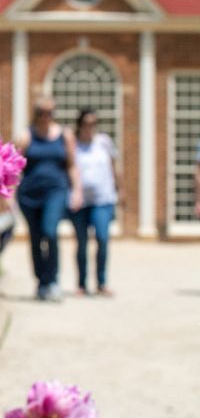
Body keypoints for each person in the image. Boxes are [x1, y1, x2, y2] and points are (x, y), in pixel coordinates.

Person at [16, 97, 82, 301]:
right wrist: (7, 193)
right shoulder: (26, 136)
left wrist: (77, 190)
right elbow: (15, 166)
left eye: (50, 112)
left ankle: (53, 281)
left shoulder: (65, 135)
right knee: (35, 238)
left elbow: (72, 165)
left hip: (56, 191)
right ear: (35, 113)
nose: (46, 116)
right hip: (29, 195)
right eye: (42, 112)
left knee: (50, 231)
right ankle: (41, 282)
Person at [70, 108, 122, 296]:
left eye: (93, 124)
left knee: (102, 238)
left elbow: (113, 167)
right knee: (82, 242)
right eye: (86, 124)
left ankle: (101, 282)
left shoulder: (104, 142)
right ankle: (82, 284)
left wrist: (120, 189)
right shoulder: (73, 144)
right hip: (80, 202)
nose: (90, 128)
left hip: (103, 199)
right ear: (80, 124)